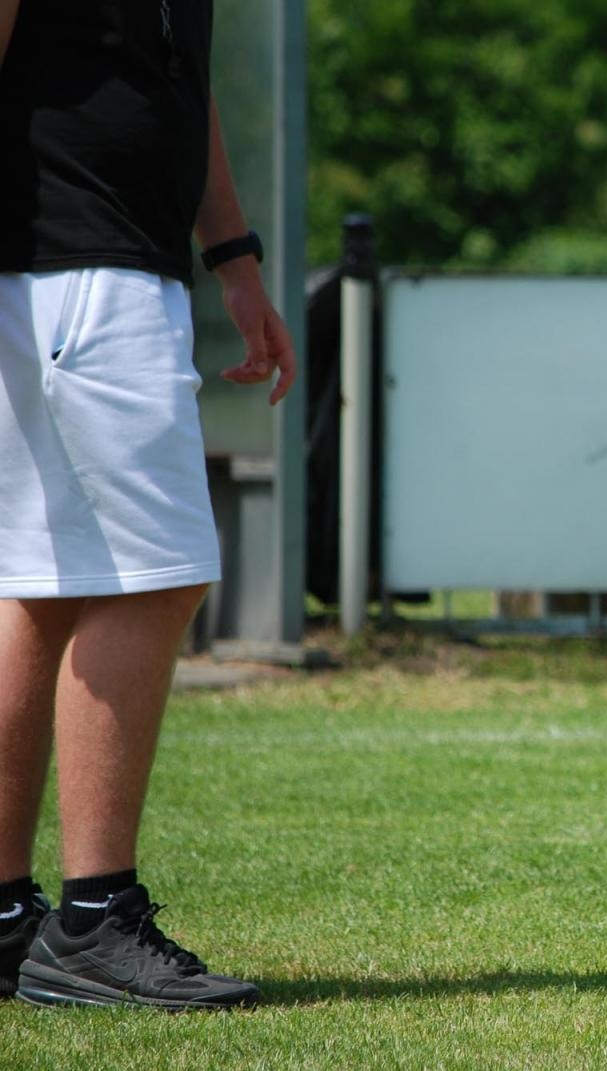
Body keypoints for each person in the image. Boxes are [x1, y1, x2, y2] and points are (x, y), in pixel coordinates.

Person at [0, 0, 295, 1009]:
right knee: (153, 575)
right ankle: (93, 919)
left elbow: (180, 83)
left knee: (37, 588)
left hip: (90, 269)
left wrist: (235, 260)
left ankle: (6, 921)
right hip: (80, 269)